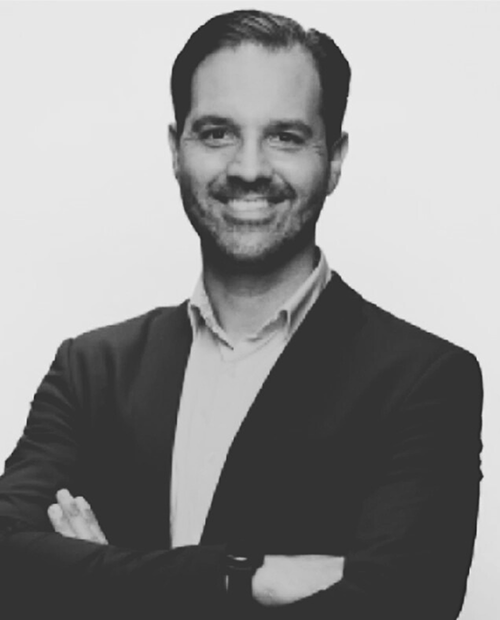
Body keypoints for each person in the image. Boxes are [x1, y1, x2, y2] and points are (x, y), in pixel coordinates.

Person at [0, 9, 483, 620]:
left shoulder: (425, 381)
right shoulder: (91, 370)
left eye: (285, 136)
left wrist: (100, 583)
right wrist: (241, 577)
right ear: (176, 150)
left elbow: (403, 604)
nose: (249, 168)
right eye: (217, 133)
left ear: (334, 159)